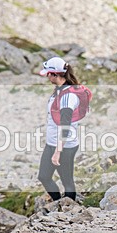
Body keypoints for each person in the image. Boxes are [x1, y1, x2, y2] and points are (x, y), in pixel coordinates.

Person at [37, 57, 88, 203]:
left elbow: (65, 126)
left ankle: (68, 209)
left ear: (55, 74)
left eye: (48, 74)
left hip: (65, 146)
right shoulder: (58, 91)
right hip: (52, 142)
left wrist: (58, 152)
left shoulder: (68, 96)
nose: (47, 77)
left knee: (67, 181)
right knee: (44, 176)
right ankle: (59, 203)